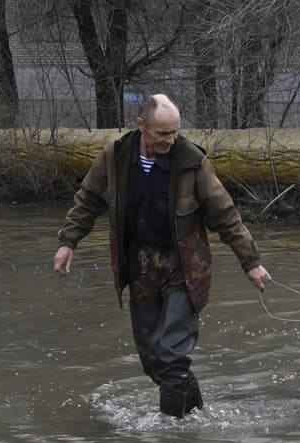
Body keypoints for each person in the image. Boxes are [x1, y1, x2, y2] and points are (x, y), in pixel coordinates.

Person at [53, 93, 271, 418]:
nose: (170, 140)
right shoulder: (115, 157)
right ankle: (196, 413)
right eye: (162, 134)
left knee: (171, 355)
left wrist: (251, 263)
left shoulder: (192, 162)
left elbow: (225, 214)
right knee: (154, 360)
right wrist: (68, 241)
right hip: (139, 266)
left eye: (175, 132)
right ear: (141, 125)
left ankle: (169, 436)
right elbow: (88, 199)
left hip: (184, 267)